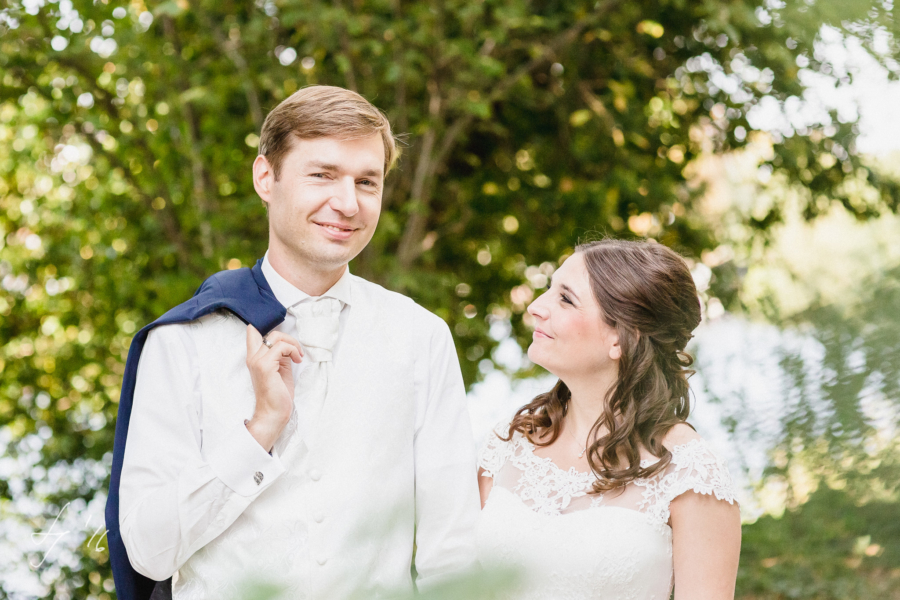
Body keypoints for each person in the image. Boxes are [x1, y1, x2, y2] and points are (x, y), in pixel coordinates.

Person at [107, 85, 480, 600]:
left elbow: (451, 550)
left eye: (367, 182)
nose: (347, 203)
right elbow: (148, 551)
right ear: (266, 177)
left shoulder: (421, 337)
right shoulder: (182, 341)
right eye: (322, 174)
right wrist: (258, 432)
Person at [475, 239, 741, 600]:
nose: (537, 307)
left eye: (565, 299)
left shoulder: (691, 473)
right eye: (548, 291)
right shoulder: (507, 444)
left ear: (622, 336)